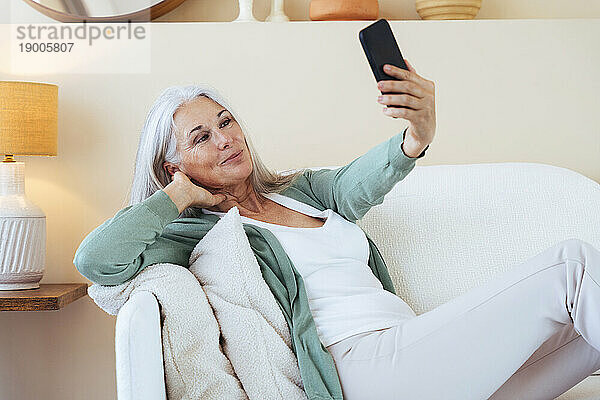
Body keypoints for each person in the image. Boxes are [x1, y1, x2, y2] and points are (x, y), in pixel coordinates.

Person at [74, 60, 600, 400]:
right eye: (201, 137)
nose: (225, 139)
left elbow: (355, 183)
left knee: (588, 336)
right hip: (362, 368)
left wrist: (416, 135)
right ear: (173, 166)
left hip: (411, 349)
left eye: (227, 122)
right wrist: (180, 196)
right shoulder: (194, 234)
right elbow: (96, 261)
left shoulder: (299, 191)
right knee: (573, 266)